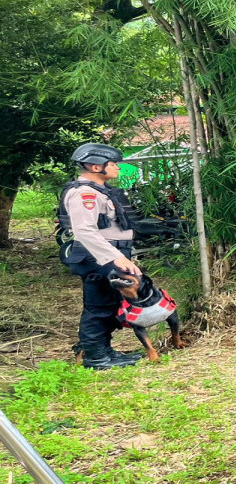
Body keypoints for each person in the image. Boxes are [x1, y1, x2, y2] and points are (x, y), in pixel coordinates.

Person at [58, 143, 143, 370]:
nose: (117, 167)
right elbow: (84, 230)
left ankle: (103, 351)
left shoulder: (99, 191)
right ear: (96, 166)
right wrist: (115, 257)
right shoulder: (83, 193)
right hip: (98, 256)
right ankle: (95, 357)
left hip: (110, 253)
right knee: (99, 306)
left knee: (112, 302)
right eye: (112, 164)